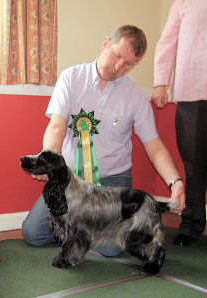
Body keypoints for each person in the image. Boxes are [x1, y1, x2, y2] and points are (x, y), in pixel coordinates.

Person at [22, 25, 185, 257]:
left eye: (128, 64)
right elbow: (57, 126)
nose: (119, 67)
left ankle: (82, 235)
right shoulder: (70, 77)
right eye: (117, 56)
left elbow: (154, 145)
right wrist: (49, 161)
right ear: (105, 43)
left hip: (113, 181)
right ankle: (84, 233)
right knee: (33, 233)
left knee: (110, 249)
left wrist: (175, 182)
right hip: (72, 180)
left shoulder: (136, 96)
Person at [152, 0, 207, 246]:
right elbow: (167, 42)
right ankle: (192, 225)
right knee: (193, 163)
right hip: (190, 92)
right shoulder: (183, 3)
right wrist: (160, 82)